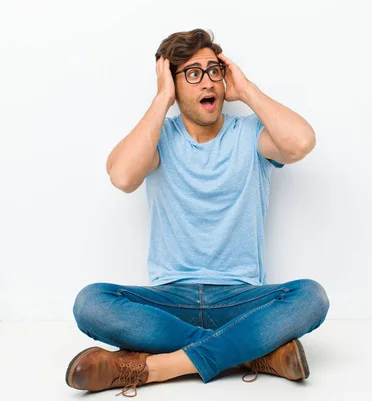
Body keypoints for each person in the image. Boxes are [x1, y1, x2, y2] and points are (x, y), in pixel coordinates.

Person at [65, 28, 329, 397]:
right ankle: (252, 354)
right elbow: (123, 177)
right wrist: (161, 100)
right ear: (173, 86)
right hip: (170, 302)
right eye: (192, 73)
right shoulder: (159, 138)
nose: (207, 82)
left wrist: (248, 90)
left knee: (312, 297)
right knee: (90, 303)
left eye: (214, 71)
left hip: (240, 299)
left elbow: (301, 142)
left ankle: (155, 367)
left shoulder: (251, 134)